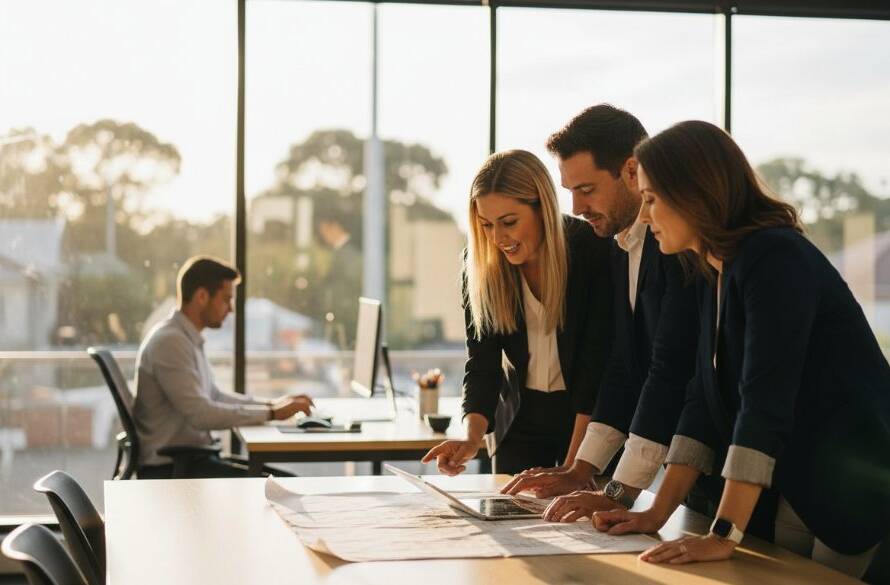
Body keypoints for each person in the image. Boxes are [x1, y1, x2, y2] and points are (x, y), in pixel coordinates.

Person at [591, 120, 890, 578]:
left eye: (651, 199)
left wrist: (722, 533)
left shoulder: (773, 256)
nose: (645, 215)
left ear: (694, 193)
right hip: (802, 485)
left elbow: (763, 402)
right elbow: (702, 403)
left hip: (856, 487)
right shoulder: (717, 269)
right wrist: (656, 514)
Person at [501, 105, 699, 520]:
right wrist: (581, 470)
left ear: (631, 171)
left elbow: (670, 370)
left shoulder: (676, 247)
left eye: (587, 189)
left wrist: (619, 492)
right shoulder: (616, 244)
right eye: (569, 191)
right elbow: (623, 367)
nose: (575, 207)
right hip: (694, 469)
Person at [421, 149, 612, 474]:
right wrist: (470, 440)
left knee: (582, 521)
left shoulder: (592, 252)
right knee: (509, 521)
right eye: (486, 225)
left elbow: (596, 368)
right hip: (518, 420)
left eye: (509, 223)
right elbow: (482, 364)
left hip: (587, 419)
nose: (497, 238)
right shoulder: (479, 266)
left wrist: (573, 470)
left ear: (543, 208)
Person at [134, 256, 314, 478]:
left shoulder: (184, 338)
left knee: (286, 482)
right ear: (202, 296)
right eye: (226, 299)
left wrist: (273, 404)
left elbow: (214, 396)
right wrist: (272, 413)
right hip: (171, 469)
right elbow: (201, 414)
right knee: (287, 485)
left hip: (192, 460)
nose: (230, 309)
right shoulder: (170, 342)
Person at [316, 200, 363, 349]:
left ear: (334, 227)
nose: (323, 236)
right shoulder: (340, 253)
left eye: (324, 231)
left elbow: (347, 288)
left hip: (346, 322)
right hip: (341, 319)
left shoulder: (348, 254)